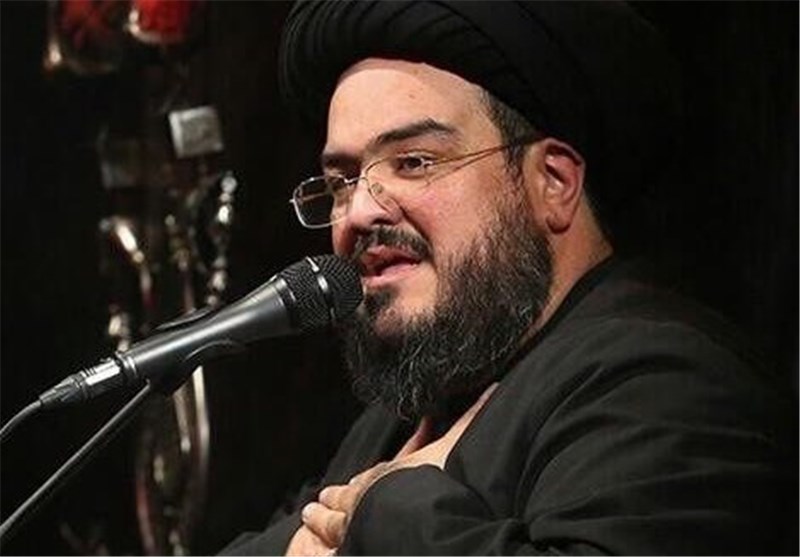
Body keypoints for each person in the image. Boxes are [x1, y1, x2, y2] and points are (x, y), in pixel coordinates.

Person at [222, 1, 796, 554]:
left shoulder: (670, 386)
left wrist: (382, 509)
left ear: (554, 182)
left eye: (414, 162)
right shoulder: (404, 415)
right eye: (342, 181)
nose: (362, 211)